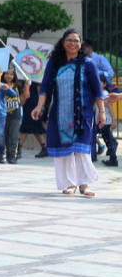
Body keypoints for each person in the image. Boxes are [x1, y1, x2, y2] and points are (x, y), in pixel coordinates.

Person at [30, 29, 106, 197]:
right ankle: (69, 183)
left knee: (82, 149)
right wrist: (39, 107)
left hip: (83, 114)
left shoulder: (88, 63)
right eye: (70, 40)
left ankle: (84, 184)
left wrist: (101, 111)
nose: (73, 43)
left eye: (76, 41)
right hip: (59, 114)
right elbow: (45, 88)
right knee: (64, 149)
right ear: (63, 43)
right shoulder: (55, 63)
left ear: (81, 45)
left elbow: (97, 90)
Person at [3, 68, 29, 164]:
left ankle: (13, 156)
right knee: (5, 135)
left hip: (15, 115)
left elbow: (23, 99)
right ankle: (6, 154)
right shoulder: (1, 85)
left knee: (13, 136)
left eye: (11, 74)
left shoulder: (17, 86)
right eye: (7, 74)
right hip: (3, 115)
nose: (9, 76)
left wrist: (26, 85)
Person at [20, 75, 48, 158]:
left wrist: (40, 106)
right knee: (32, 127)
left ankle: (18, 148)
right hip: (26, 104)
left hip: (34, 105)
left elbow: (41, 93)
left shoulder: (36, 79)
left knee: (28, 127)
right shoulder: (22, 78)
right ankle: (44, 147)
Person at [97, 75, 119, 167]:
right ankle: (112, 156)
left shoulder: (105, 94)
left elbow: (110, 109)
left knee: (107, 139)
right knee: (107, 139)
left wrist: (114, 121)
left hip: (106, 121)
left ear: (105, 84)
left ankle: (113, 159)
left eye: (100, 82)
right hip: (100, 120)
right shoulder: (97, 93)